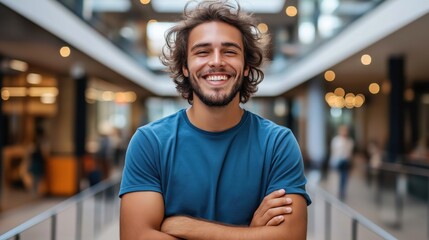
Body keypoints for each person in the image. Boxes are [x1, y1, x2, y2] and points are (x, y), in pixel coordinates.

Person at [119, 1, 311, 239]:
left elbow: (291, 236)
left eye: (229, 51)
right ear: (185, 66)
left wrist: (188, 228)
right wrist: (251, 234)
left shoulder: (278, 143)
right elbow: (136, 236)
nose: (217, 61)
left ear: (247, 66)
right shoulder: (150, 142)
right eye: (202, 52)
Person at [329, 125, 354, 200]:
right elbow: (334, 151)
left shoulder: (350, 141)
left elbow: (349, 153)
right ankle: (337, 191)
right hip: (337, 161)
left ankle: (342, 191)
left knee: (344, 177)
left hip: (345, 162)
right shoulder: (336, 140)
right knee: (337, 178)